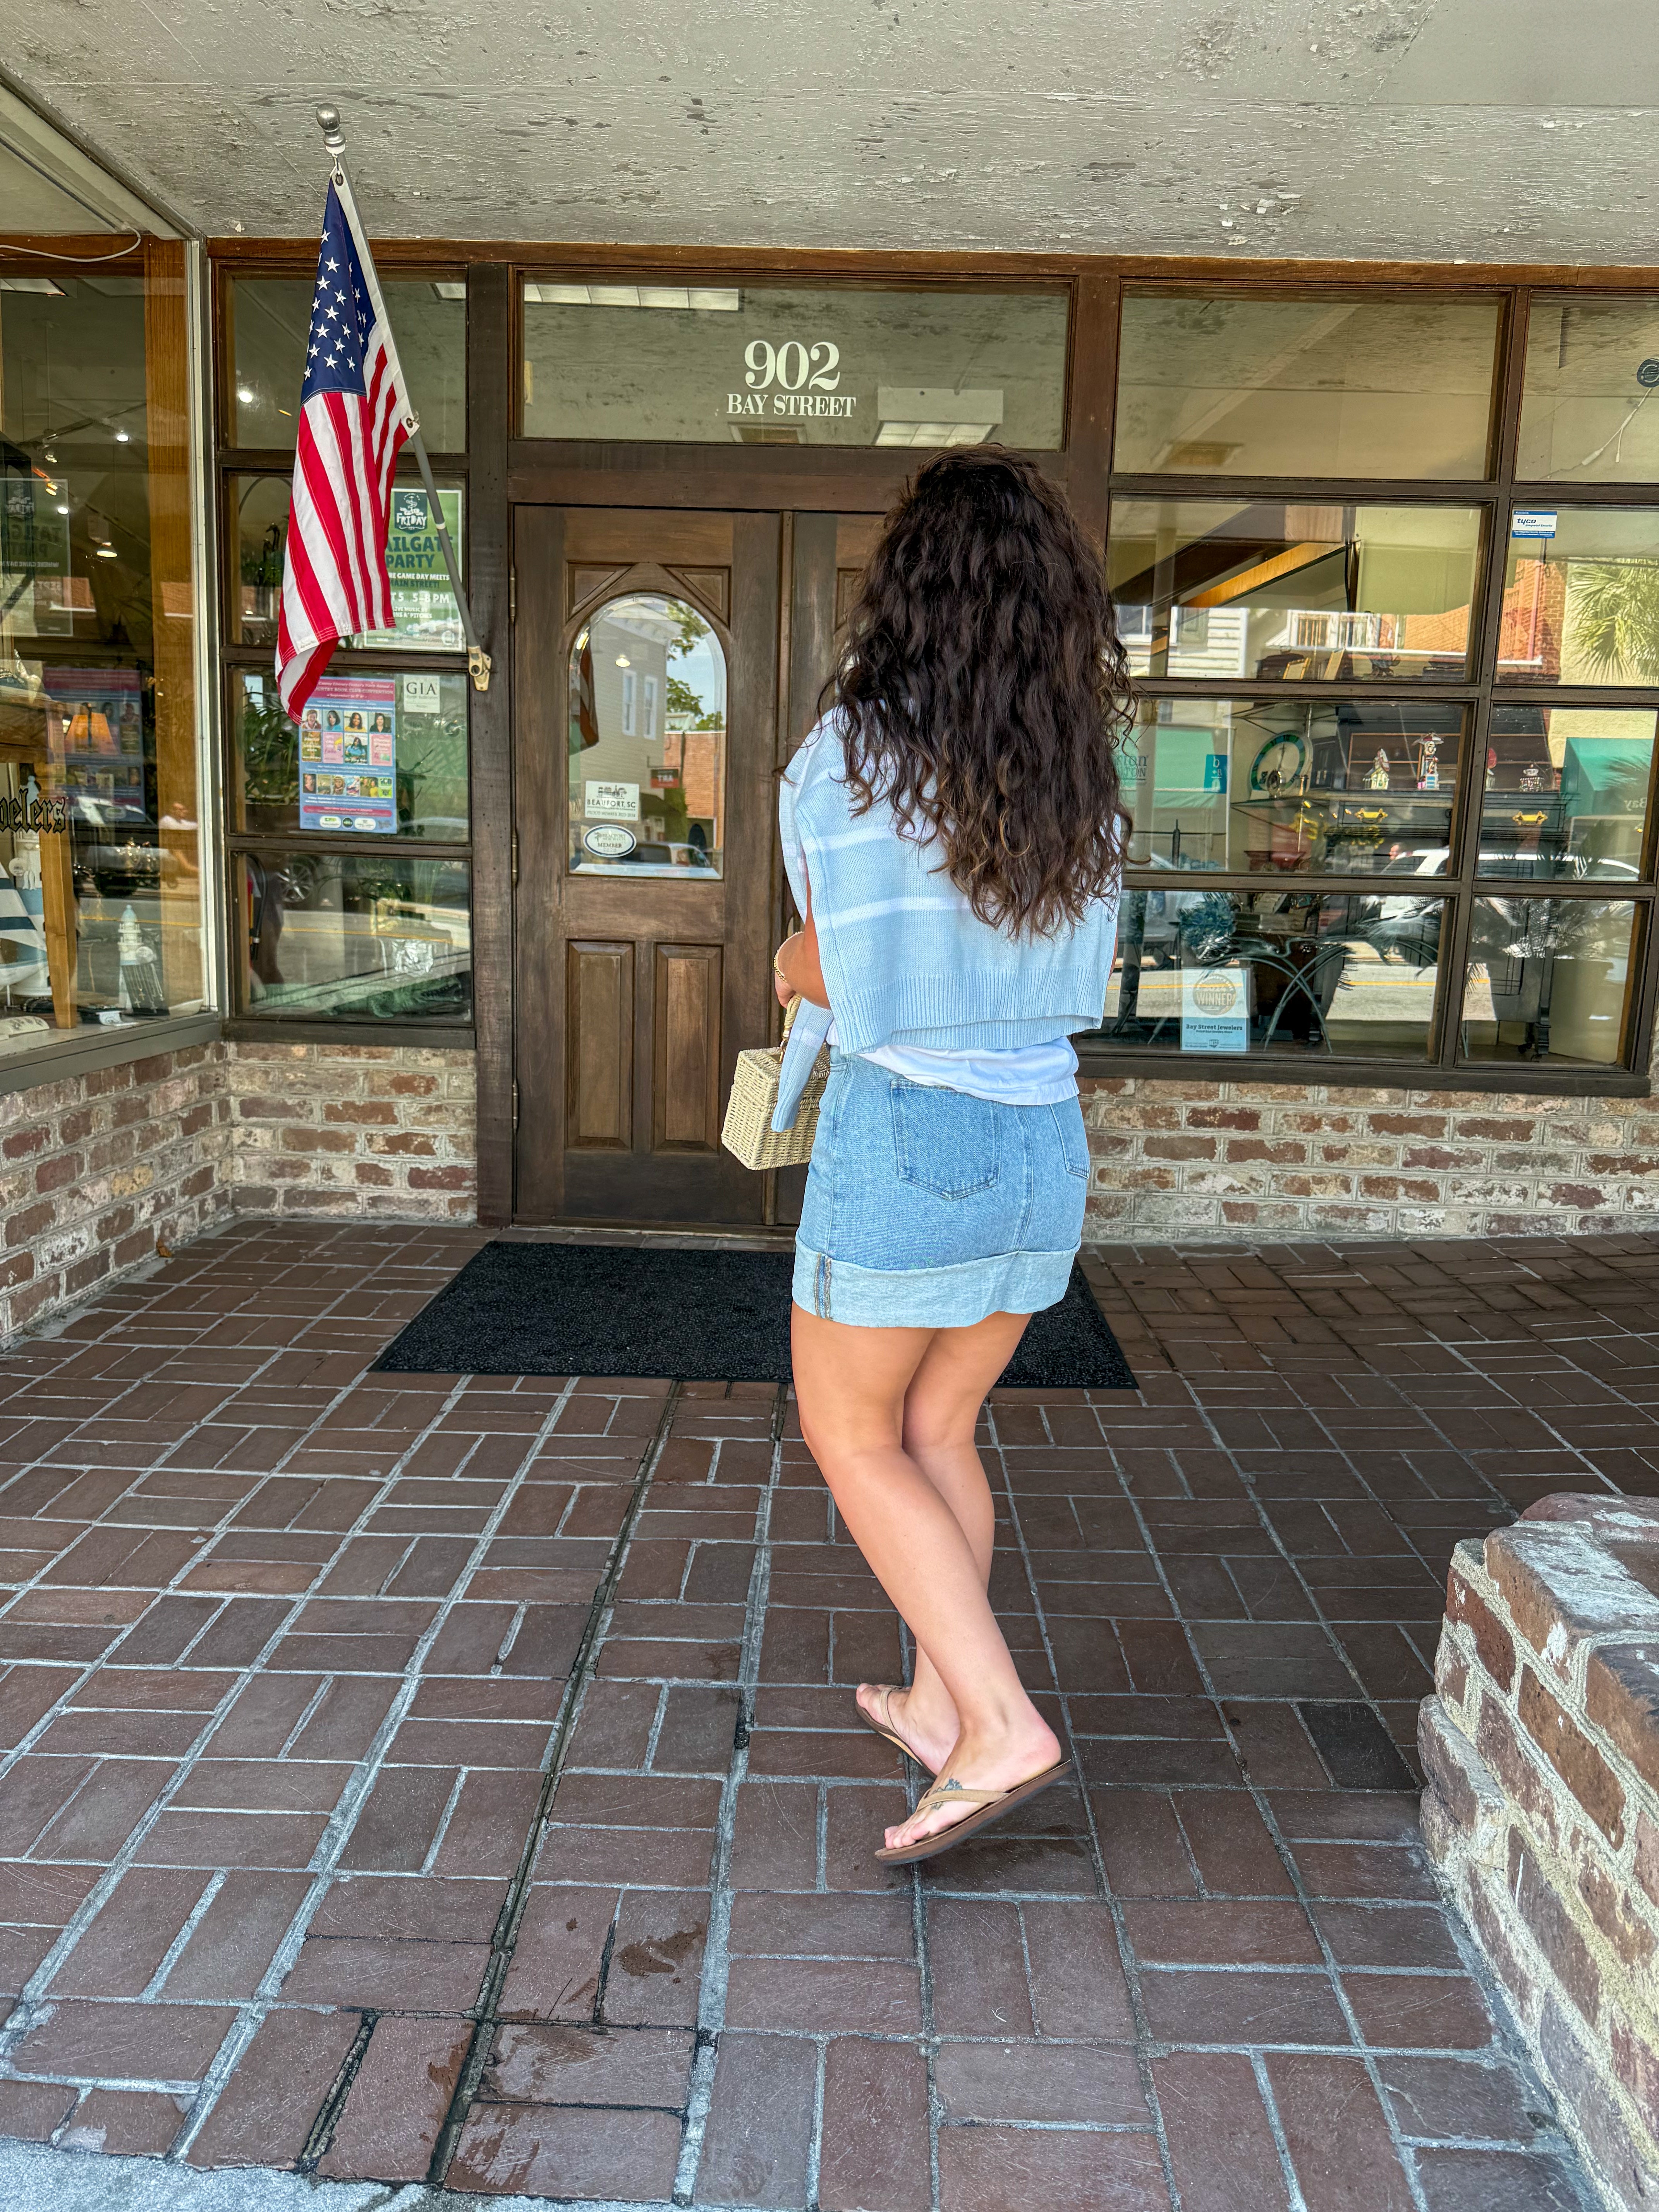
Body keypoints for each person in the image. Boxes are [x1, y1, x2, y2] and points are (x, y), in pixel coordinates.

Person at [772, 447, 1130, 1866]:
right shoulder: (1076, 771)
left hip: (909, 1134)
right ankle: (934, 1698)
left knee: (850, 1434)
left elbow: (837, 969)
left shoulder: (849, 755)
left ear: (906, 587)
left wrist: (791, 964)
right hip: (1044, 1136)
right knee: (938, 1429)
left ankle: (994, 1720)